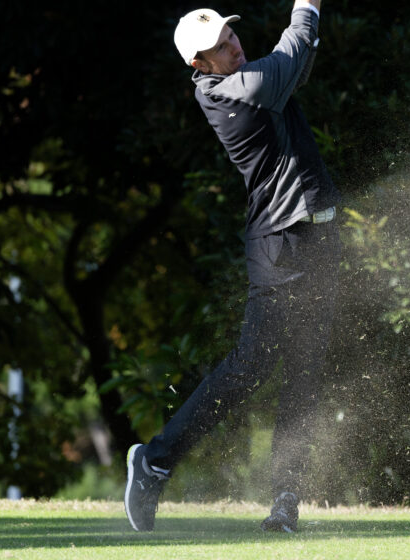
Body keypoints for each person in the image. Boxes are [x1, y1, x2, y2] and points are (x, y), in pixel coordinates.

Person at [124, 0, 340, 533]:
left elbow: (299, 60)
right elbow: (292, 52)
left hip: (318, 238)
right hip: (280, 246)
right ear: (198, 65)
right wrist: (305, 7)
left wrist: (308, 22)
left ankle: (286, 501)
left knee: (305, 372)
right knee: (251, 367)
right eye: (219, 47)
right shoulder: (229, 92)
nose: (233, 47)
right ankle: (155, 461)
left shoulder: (250, 79)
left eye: (230, 36)